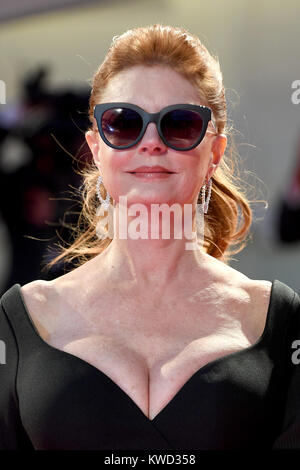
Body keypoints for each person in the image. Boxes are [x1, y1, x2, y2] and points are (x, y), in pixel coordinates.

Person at [0, 23, 300, 451]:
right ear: (96, 149)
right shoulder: (20, 322)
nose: (152, 142)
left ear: (214, 152)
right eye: (124, 123)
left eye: (180, 124)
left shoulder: (280, 322)